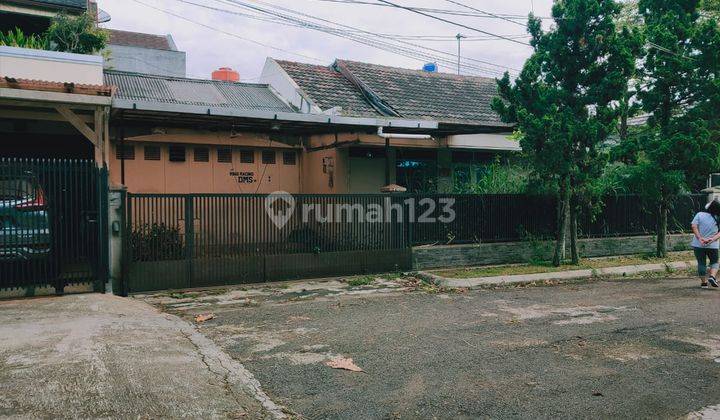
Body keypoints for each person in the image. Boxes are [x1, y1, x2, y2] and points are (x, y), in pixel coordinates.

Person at [691, 199, 720, 288]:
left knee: (701, 263)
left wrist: (700, 238)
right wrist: (712, 239)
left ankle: (704, 283)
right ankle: (712, 277)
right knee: (714, 262)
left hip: (698, 244)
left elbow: (694, 226)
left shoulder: (699, 214)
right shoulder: (718, 217)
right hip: (713, 245)